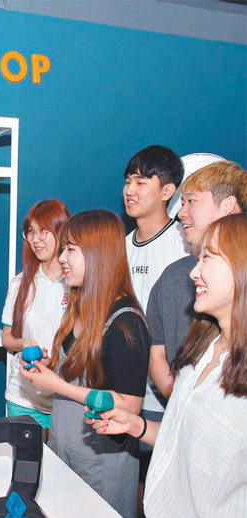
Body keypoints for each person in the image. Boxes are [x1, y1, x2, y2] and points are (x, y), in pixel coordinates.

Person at [90, 214, 247, 518]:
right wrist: (137, 426)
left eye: (208, 258)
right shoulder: (204, 346)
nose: (194, 271)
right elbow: (182, 438)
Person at [20, 210, 150, 518]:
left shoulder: (126, 324)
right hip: (66, 449)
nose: (62, 258)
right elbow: (82, 370)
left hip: (102, 464)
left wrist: (57, 385)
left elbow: (129, 405)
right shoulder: (80, 307)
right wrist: (51, 368)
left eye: (70, 250)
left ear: (98, 255)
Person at [147, 161, 246, 399]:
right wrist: (184, 403)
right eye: (181, 203)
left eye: (191, 201)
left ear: (228, 205)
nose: (181, 213)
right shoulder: (172, 275)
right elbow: (157, 352)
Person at [124, 144, 189, 421]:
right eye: (128, 181)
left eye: (141, 182)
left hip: (165, 395)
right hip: (123, 389)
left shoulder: (184, 246)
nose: (130, 190)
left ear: (167, 191)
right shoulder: (122, 247)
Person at [1, 199, 70, 437]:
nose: (35, 239)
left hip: (67, 399)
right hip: (23, 398)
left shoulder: (78, 283)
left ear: (62, 230)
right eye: (30, 231)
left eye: (43, 230)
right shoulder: (20, 283)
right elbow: (7, 339)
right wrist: (25, 343)